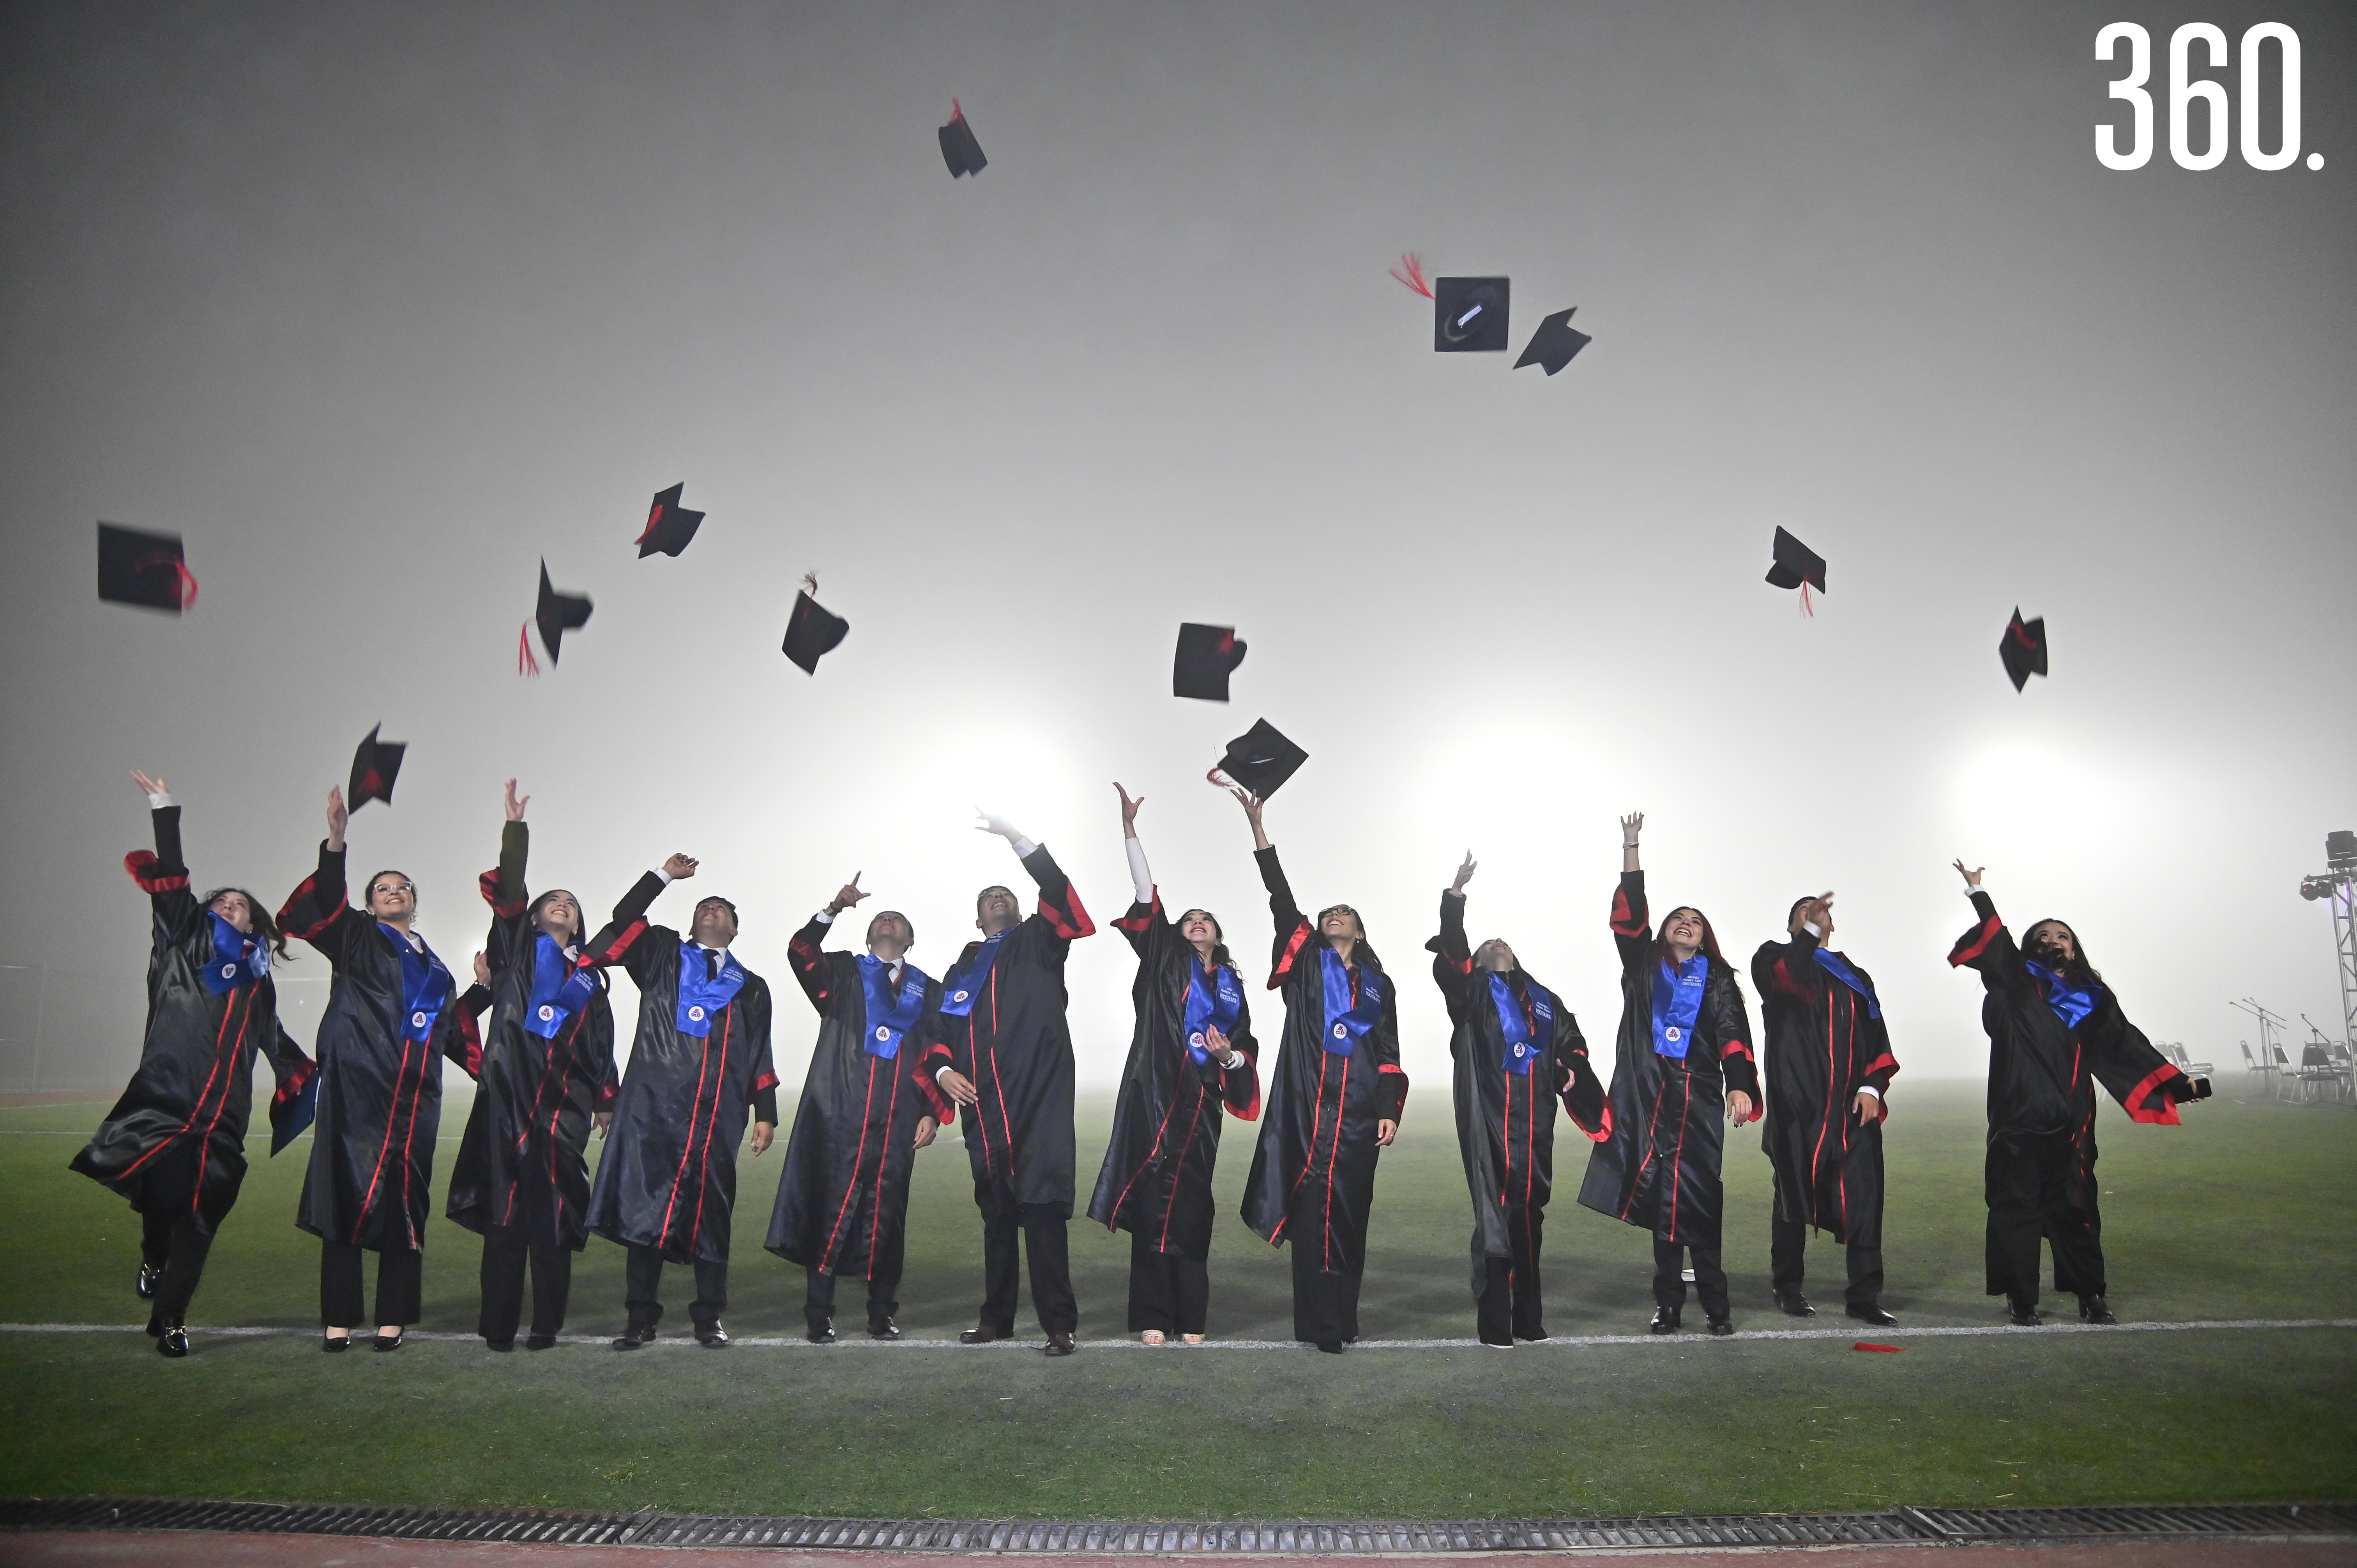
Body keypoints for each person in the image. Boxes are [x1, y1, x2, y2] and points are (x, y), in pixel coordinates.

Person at [71, 772, 315, 1358]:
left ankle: (173, 1320)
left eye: (242, 907)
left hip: (223, 1120)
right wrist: (164, 807)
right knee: (162, 1206)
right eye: (222, 902)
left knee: (201, 1223)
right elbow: (173, 884)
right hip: (168, 1102)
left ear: (255, 925)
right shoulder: (183, 939)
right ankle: (153, 1259)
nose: (231, 908)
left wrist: (309, 1075)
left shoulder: (259, 983)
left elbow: (276, 1042)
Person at [1948, 860, 2204, 1324]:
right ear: (2030, 950)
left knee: (2077, 1207)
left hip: (2072, 1121)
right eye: (2042, 937)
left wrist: (2176, 1083)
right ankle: (2021, 1298)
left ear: (2075, 947)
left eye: (2061, 935)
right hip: (2018, 1118)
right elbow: (1999, 945)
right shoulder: (2019, 986)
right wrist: (1978, 893)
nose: (2052, 941)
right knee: (2016, 1207)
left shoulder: (2093, 997)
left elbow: (2126, 1044)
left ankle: (2090, 1294)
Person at [277, 784, 480, 1352]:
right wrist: (337, 841)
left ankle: (393, 1317)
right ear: (368, 906)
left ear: (415, 901)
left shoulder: (437, 969)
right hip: (358, 1092)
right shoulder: (357, 939)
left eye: (402, 887)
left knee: (404, 1204)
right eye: (382, 889)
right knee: (343, 1193)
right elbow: (324, 900)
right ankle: (338, 1319)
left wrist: (483, 993)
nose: (393, 893)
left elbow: (448, 1031)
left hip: (414, 1101)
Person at [1227, 783, 1406, 1353]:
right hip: (1306, 1112)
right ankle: (1319, 1326)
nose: (1334, 916)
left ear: (1360, 931)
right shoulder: (1307, 966)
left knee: (1350, 1217)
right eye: (1328, 913)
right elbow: (1280, 896)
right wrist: (1260, 831)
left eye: (1345, 914)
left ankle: (1343, 1318)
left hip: (1355, 1118)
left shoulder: (1379, 986)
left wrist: (1389, 1113)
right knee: (1311, 1222)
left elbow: (1389, 1055)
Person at [444, 780, 619, 1351]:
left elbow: (602, 1042)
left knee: (553, 1222)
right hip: (507, 1101)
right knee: (504, 1220)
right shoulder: (516, 952)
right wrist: (514, 832)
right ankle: (498, 1325)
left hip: (564, 1108)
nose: (561, 905)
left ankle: (547, 1323)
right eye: (552, 901)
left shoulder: (592, 977)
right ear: (534, 915)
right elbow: (511, 890)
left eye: (570, 903)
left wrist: (605, 1102)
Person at [915, 810, 1096, 1356]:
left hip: (1037, 1096)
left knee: (1041, 1211)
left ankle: (1059, 1325)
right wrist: (945, 1073)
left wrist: (1017, 839)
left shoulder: (1040, 939)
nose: (997, 899)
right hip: (984, 1104)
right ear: (977, 921)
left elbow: (1058, 889)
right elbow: (939, 1030)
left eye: (1004, 894)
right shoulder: (963, 966)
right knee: (997, 1215)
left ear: (1019, 908)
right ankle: (996, 1319)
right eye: (987, 898)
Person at [1089, 783, 1262, 1345]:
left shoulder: (1232, 985)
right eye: (1187, 919)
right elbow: (1146, 894)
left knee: (1192, 1205)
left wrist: (1227, 1056)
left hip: (1200, 1105)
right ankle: (1151, 1316)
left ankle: (1192, 1316)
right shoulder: (1164, 955)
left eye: (1205, 920)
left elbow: (1245, 1046)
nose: (1195, 923)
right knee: (1149, 1197)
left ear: (1218, 934)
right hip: (1156, 1092)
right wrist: (1129, 829)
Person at [582, 853, 778, 1350]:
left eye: (722, 910)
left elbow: (761, 1053)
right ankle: (640, 1318)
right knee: (645, 1211)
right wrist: (663, 876)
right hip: (653, 1109)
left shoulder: (751, 987)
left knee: (713, 1213)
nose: (711, 910)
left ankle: (709, 1316)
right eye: (704, 906)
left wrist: (767, 1115)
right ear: (692, 921)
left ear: (735, 930)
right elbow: (623, 920)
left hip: (717, 1116)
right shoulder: (662, 954)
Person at [1577, 813, 1759, 1336]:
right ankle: (1670, 1305)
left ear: (1706, 936)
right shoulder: (1643, 964)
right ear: (1663, 930)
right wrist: (1631, 846)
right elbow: (1629, 917)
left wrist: (1742, 1083)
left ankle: (1717, 1305)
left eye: (1695, 920)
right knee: (1661, 1202)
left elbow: (1732, 1032)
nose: (1685, 922)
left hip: (1697, 1100)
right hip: (1647, 1096)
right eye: (1678, 917)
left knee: (1701, 1198)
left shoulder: (1718, 977)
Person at [1428, 852, 1608, 1347]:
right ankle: (1494, 1324)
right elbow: (1455, 952)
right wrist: (1456, 896)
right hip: (1488, 1119)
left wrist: (1570, 1069)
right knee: (1494, 1214)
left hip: (1534, 1126)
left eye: (1502, 941)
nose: (1497, 944)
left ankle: (1529, 1320)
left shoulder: (1546, 1000)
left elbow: (1573, 1042)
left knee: (1528, 1218)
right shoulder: (1470, 993)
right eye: (1487, 945)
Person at [767, 875, 949, 1343]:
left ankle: (882, 1313)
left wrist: (932, 1108)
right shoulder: (843, 973)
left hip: (899, 1117)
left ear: (910, 939)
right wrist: (835, 907)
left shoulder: (928, 989)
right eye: (880, 920)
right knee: (829, 1206)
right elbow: (800, 952)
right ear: (869, 937)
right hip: (839, 1111)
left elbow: (938, 1049)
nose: (889, 923)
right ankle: (818, 1314)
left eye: (898, 921)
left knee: (887, 1215)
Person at [1751, 891, 1901, 1325]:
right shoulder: (1773, 959)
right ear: (1793, 925)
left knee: (1865, 1197)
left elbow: (1877, 1038)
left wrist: (1872, 1087)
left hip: (1851, 1109)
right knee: (1793, 1195)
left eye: (1822, 913)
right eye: (1805, 912)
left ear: (1834, 925)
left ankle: (1864, 1296)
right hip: (1798, 1104)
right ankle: (1788, 1286)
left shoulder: (1856, 976)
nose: (1816, 915)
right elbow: (1790, 976)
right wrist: (1809, 931)